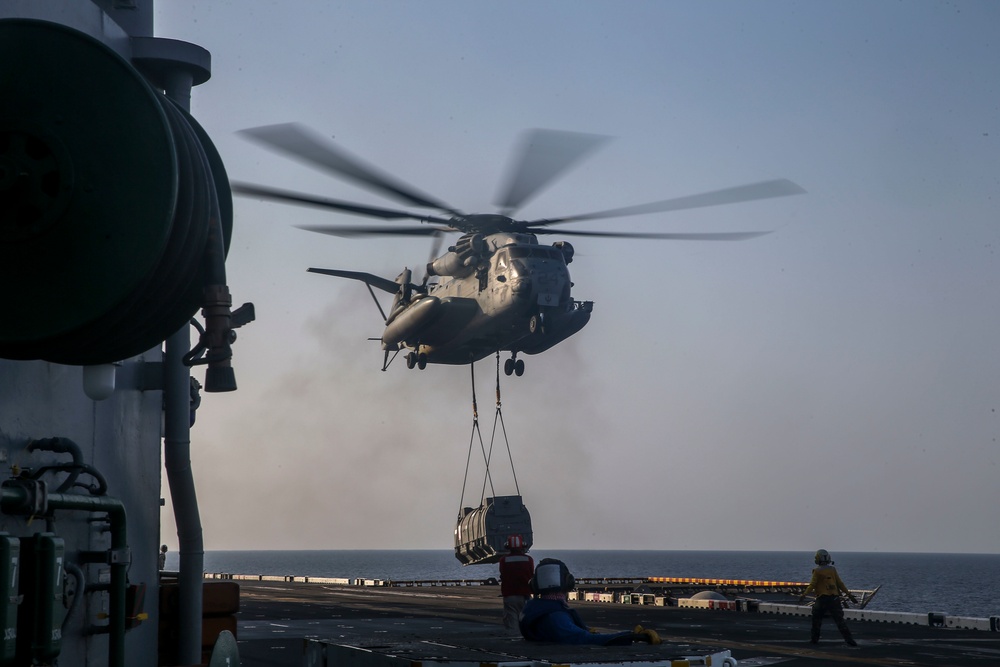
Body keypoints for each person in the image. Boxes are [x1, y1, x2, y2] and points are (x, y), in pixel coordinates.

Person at [519, 558, 661, 646]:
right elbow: (584, 639)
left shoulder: (532, 608)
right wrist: (632, 636)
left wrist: (586, 630)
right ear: (568, 583)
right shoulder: (555, 616)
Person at [798, 549, 858, 646]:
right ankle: (850, 640)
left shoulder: (817, 571)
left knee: (816, 619)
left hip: (822, 599)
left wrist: (804, 594)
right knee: (840, 621)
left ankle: (814, 640)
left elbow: (812, 585)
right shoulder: (832, 569)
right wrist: (849, 595)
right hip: (834, 599)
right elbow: (840, 583)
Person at [498, 535, 534, 631]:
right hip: (525, 594)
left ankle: (514, 638)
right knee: (526, 618)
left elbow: (503, 575)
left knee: (511, 619)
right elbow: (531, 575)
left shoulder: (503, 560)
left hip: (510, 595)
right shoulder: (529, 559)